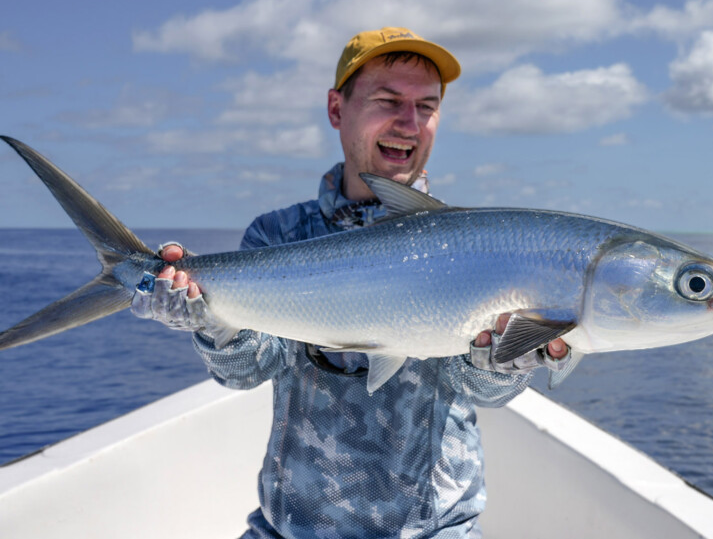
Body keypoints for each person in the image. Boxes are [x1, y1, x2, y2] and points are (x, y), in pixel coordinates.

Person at [132, 27, 570, 538]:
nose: (409, 123)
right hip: (290, 528)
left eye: (426, 106)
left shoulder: (473, 246)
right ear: (337, 109)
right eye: (388, 100)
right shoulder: (278, 236)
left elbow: (481, 389)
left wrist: (507, 360)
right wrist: (212, 322)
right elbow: (246, 370)